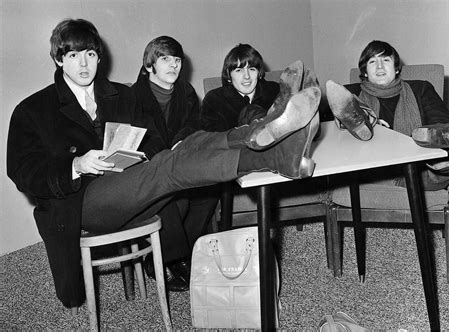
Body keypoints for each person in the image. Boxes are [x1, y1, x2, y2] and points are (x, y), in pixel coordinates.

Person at [6, 18, 321, 308]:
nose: (84, 63)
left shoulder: (120, 95)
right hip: (84, 201)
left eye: (89, 53)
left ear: (99, 57)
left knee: (188, 143)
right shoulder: (33, 109)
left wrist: (143, 152)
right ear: (59, 59)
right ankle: (271, 155)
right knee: (169, 165)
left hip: (132, 184)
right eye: (73, 56)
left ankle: (269, 137)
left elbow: (152, 140)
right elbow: (23, 172)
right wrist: (76, 165)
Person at [326, 40, 449, 190]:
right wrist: (378, 132)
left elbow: (441, 119)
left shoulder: (421, 88)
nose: (380, 66)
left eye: (386, 60)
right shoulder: (349, 93)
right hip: (373, 171)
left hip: (420, 171)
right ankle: (367, 121)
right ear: (364, 72)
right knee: (348, 117)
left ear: (396, 68)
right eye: (372, 61)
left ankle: (436, 144)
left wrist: (437, 143)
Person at [132, 36, 216, 291]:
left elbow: (194, 124)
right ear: (149, 65)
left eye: (177, 60)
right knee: (176, 199)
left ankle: (175, 255)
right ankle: (172, 258)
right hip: (150, 166)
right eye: (165, 59)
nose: (173, 65)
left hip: (181, 160)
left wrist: (181, 142)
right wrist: (167, 155)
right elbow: (140, 135)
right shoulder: (133, 95)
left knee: (209, 192)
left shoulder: (186, 91)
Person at [200, 43, 280, 132]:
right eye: (239, 70)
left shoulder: (275, 91)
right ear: (229, 76)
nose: (247, 76)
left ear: (259, 73)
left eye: (251, 69)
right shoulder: (214, 100)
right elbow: (212, 140)